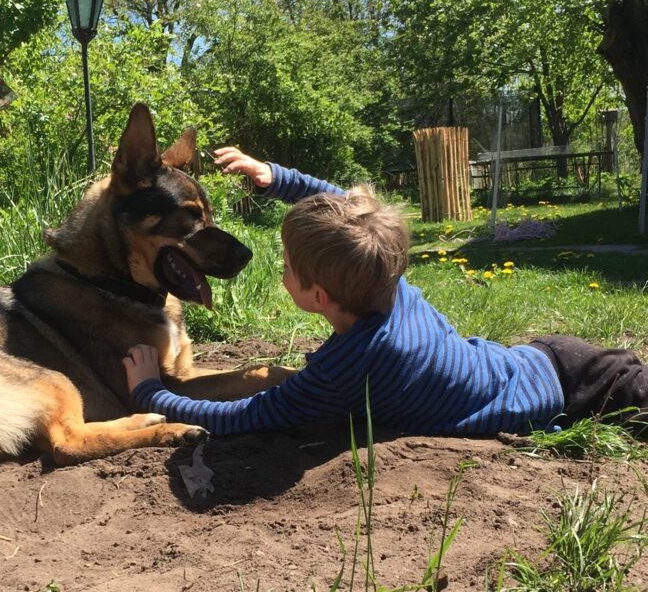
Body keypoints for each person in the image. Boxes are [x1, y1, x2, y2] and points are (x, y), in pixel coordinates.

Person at [122, 147, 648, 437]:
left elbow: (246, 416)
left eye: (287, 265)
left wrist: (151, 394)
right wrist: (275, 178)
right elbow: (352, 212)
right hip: (551, 357)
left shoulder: (347, 368)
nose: (281, 269)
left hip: (560, 395)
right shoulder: (391, 284)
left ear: (319, 296)